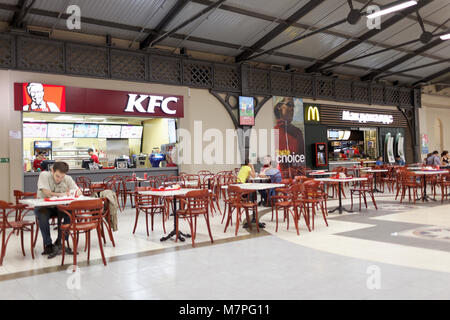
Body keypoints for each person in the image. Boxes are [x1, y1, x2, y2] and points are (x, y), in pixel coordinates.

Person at [34, 161, 81, 258]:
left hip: (58, 207)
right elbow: (46, 193)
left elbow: (78, 191)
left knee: (70, 211)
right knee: (42, 215)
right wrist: (63, 194)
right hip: (44, 207)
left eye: (62, 177)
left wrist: (75, 193)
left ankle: (61, 240)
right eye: (57, 176)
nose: (59, 179)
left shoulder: (67, 178)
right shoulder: (44, 175)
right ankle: (48, 245)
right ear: (52, 170)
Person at [274, 98, 304, 170]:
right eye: (289, 105)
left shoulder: (297, 133)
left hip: (296, 176)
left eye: (293, 106)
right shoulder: (274, 131)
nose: (292, 109)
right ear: (279, 107)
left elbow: (301, 159)